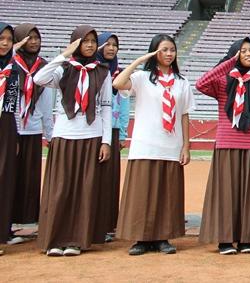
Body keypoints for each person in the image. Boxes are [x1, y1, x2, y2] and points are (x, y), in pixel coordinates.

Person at [33, 25, 113, 256]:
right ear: (75, 42)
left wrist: (106, 141)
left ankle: (76, 240)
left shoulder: (102, 72)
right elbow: (39, 78)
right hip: (65, 135)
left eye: (93, 41)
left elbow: (106, 107)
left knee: (84, 190)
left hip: (91, 135)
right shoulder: (63, 70)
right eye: (84, 41)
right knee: (61, 188)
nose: (89, 45)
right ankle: (55, 239)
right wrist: (64, 55)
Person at [113, 34, 194, 255]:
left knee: (166, 194)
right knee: (142, 192)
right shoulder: (141, 77)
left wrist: (186, 146)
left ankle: (162, 237)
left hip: (170, 145)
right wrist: (139, 61)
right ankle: (141, 238)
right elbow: (118, 83)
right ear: (154, 52)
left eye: (172, 50)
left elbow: (184, 115)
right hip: (145, 143)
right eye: (164, 50)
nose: (169, 54)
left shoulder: (182, 82)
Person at [196, 38, 250, 255]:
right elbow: (201, 83)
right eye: (244, 51)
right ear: (234, 54)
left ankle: (246, 239)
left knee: (249, 194)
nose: (249, 54)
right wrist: (230, 63)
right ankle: (225, 240)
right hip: (227, 144)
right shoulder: (222, 82)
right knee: (227, 193)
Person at [9, 22, 54, 240]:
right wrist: (13, 49)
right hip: (10, 131)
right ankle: (6, 221)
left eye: (37, 37)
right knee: (9, 177)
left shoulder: (43, 67)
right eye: (29, 38)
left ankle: (27, 221)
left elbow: (46, 105)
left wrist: (49, 134)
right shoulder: (9, 65)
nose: (34, 42)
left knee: (30, 178)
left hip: (33, 130)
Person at [96, 32, 129, 242]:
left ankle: (108, 224)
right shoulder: (92, 71)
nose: (111, 48)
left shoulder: (120, 74)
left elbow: (125, 105)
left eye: (114, 45)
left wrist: (123, 133)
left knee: (109, 180)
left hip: (114, 131)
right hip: (93, 131)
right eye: (107, 44)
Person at [0, 22, 27, 255]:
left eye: (9, 39)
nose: (5, 43)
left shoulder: (13, 70)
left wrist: (15, 133)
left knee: (4, 179)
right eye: (2, 38)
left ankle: (3, 232)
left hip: (6, 125)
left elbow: (14, 105)